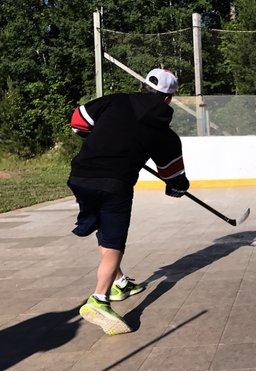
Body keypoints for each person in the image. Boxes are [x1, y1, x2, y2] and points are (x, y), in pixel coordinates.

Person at [68, 68, 189, 335]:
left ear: (144, 86)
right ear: (168, 98)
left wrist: (102, 138)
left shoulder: (114, 100)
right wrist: (178, 187)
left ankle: (119, 282)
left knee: (103, 227)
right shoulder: (164, 132)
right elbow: (173, 175)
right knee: (114, 241)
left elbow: (77, 121)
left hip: (80, 176)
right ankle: (99, 300)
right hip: (115, 184)